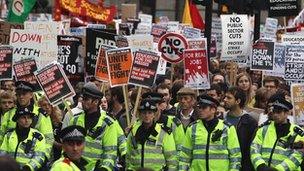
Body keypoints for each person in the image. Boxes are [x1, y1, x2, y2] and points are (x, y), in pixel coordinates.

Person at [179, 95, 241, 170]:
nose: (200, 110)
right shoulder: (192, 128)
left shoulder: (227, 128)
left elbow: (235, 156)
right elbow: (184, 156)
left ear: (213, 110)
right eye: (199, 107)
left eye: (204, 107)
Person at [68, 82, 117, 171]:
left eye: (86, 99)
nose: (82, 101)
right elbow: (67, 147)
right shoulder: (74, 120)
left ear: (96, 102)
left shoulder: (107, 124)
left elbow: (111, 152)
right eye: (83, 98)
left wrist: (104, 169)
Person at [0, 81, 53, 160]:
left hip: (35, 160)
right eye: (18, 94)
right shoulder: (9, 114)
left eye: (24, 94)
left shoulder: (41, 114)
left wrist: (43, 157)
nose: (21, 97)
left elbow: (49, 139)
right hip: (11, 162)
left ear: (31, 95)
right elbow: (1, 136)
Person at [251, 98, 304, 170]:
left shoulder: (298, 133)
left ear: (286, 113)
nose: (275, 115)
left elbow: (298, 155)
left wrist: (278, 169)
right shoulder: (263, 129)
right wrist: (260, 165)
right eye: (274, 112)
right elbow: (254, 149)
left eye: (279, 112)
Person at [126, 99, 177, 170]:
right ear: (140, 114)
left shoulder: (164, 132)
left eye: (150, 112)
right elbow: (128, 155)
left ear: (154, 114)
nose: (147, 115)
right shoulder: (133, 132)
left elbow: (171, 158)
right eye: (144, 113)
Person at [223, 86, 258, 170]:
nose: (224, 99)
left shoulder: (250, 122)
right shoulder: (220, 119)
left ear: (238, 101)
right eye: (225, 97)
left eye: (229, 98)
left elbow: (250, 150)